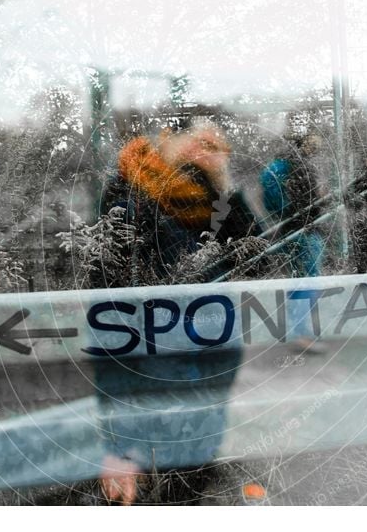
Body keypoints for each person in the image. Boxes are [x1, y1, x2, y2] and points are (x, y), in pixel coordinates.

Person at [94, 114, 259, 504]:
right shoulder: (129, 194)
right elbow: (110, 316)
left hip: (210, 368)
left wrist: (224, 186)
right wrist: (118, 445)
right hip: (156, 372)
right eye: (200, 140)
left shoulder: (210, 198)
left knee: (194, 479)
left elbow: (257, 255)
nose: (207, 152)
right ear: (167, 135)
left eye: (217, 147)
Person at [100, 116, 261, 283]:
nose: (206, 155)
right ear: (170, 138)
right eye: (204, 143)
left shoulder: (210, 198)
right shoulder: (132, 196)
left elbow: (258, 260)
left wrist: (228, 191)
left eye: (219, 151)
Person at [259, 133, 325, 277]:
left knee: (297, 268)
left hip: (297, 222)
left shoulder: (300, 165)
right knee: (309, 267)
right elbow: (270, 189)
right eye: (312, 145)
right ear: (301, 143)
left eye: (316, 147)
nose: (314, 149)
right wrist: (288, 208)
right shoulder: (286, 166)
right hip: (297, 223)